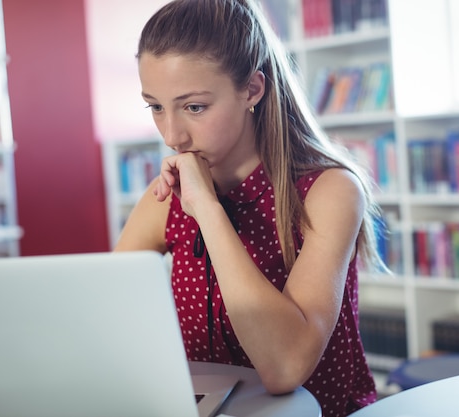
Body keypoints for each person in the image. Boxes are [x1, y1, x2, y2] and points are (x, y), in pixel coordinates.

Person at [115, 0, 386, 415]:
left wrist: (207, 209)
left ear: (252, 90)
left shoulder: (329, 192)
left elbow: (285, 367)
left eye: (194, 107)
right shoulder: (163, 199)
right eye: (155, 106)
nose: (172, 136)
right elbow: (101, 317)